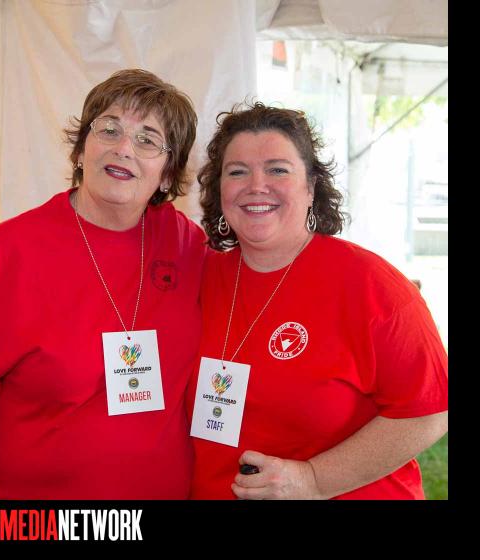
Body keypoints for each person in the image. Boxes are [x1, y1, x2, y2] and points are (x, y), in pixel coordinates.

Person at [0, 69, 208, 499]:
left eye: (147, 139)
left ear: (167, 175)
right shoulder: (7, 252)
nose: (123, 148)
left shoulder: (188, 245)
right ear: (81, 149)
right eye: (109, 129)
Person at [188, 102, 448, 499]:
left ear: (311, 187)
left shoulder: (372, 286)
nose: (256, 185)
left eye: (277, 170)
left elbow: (429, 412)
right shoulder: (201, 277)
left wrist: (313, 479)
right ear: (219, 189)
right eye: (237, 171)